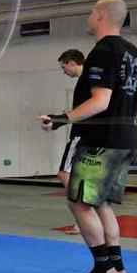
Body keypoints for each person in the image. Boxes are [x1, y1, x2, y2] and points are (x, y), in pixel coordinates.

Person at [39, 0, 137, 273]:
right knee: (100, 203)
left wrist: (61, 119)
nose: (89, 16)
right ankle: (118, 268)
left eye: (92, 11)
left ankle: (103, 269)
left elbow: (100, 101)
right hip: (127, 138)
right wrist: (121, 112)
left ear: (101, 15)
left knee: (79, 203)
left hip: (101, 140)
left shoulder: (103, 51)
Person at [55, 49, 88, 234]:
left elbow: (82, 112)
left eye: (63, 67)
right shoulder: (89, 81)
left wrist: (57, 121)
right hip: (88, 136)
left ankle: (84, 211)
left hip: (80, 135)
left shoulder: (85, 82)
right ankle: (85, 214)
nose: (64, 71)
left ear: (72, 63)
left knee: (64, 174)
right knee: (79, 177)